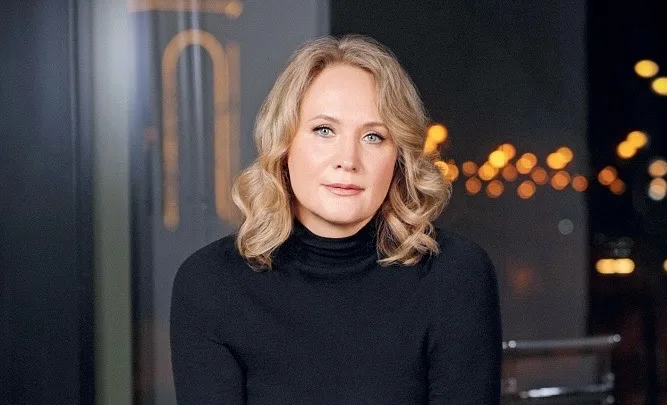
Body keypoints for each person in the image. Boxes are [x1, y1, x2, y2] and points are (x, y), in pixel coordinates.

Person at [170, 34, 502, 404]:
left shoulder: (455, 275)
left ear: (399, 158)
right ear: (284, 145)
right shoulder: (211, 284)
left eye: (373, 136)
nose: (348, 160)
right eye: (324, 130)